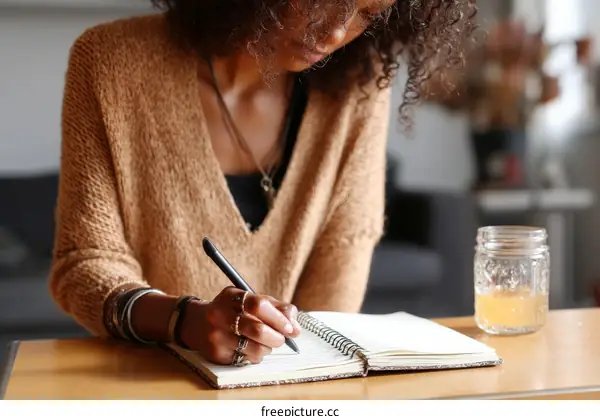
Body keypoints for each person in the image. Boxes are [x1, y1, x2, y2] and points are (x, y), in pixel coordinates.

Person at [50, 0, 477, 367]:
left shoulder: (356, 90)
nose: (332, 31)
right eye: (319, 1)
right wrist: (182, 320)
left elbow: (341, 259)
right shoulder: (111, 63)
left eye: (365, 12)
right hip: (150, 384)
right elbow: (84, 261)